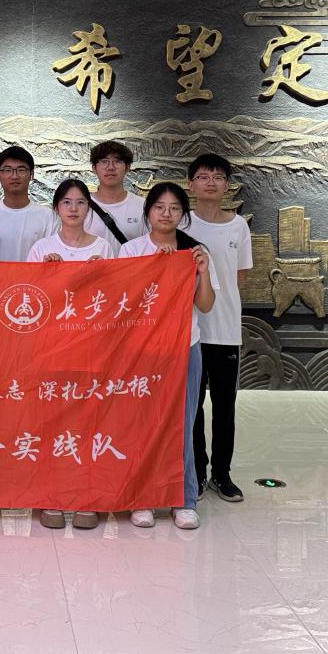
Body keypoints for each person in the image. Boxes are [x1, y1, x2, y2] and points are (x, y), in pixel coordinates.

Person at [117, 183, 217, 530]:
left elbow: (205, 305)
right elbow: (122, 302)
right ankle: (141, 498)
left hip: (185, 346)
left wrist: (203, 271)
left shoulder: (193, 251)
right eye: (159, 207)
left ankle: (183, 499)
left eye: (174, 208)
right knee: (141, 423)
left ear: (183, 215)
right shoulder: (131, 250)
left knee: (183, 423)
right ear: (148, 212)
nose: (166, 214)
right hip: (142, 350)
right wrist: (152, 269)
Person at [27, 178, 116, 530]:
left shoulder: (104, 248)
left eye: (80, 202)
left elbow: (115, 300)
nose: (74, 208)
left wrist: (101, 275)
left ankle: (86, 498)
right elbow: (29, 301)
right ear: (56, 208)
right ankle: (50, 497)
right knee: (51, 425)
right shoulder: (41, 248)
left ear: (88, 208)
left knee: (88, 424)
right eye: (67, 202)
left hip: (92, 349)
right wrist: (45, 275)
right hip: (51, 350)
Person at [185, 154, 253, 503]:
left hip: (226, 330)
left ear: (227, 185)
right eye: (203, 176)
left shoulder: (239, 226)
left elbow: (238, 278)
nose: (210, 182)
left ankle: (222, 475)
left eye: (217, 176)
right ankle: (196, 472)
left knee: (225, 406)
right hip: (191, 332)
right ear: (190, 184)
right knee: (193, 408)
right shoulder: (182, 223)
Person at [0, 145, 58, 262]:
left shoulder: (48, 217)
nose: (14, 176)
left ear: (31, 175)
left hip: (34, 275)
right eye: (8, 170)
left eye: (21, 170)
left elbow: (55, 258)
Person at [83, 140, 145, 249]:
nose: (110, 167)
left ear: (127, 167)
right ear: (94, 168)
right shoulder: (82, 206)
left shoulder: (143, 206)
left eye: (117, 161)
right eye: (104, 161)